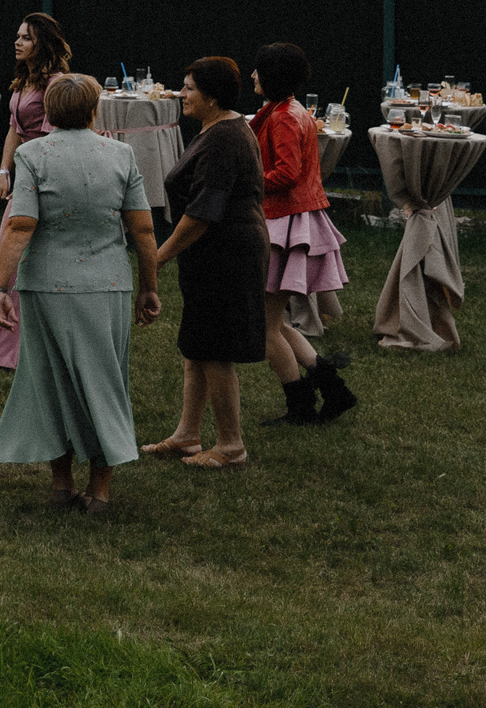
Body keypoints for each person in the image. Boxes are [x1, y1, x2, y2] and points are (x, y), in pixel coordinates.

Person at [0, 75, 160, 511]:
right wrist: (149, 287)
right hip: (109, 287)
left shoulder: (32, 153)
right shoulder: (121, 154)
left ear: (48, 114)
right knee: (105, 382)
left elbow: (21, 224)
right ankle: (99, 490)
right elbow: (142, 227)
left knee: (49, 382)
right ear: (94, 111)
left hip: (46, 285)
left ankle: (61, 485)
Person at [142, 56, 269, 471]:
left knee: (215, 348)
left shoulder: (225, 138)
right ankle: (187, 434)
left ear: (212, 97)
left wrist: (157, 259)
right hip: (213, 253)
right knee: (197, 344)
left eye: (189, 88)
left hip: (227, 254)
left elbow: (202, 213)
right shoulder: (220, 127)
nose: (181, 94)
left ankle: (231, 445)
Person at [251, 42, 359, 426]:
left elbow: (286, 173)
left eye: (258, 71)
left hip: (285, 221)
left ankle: (300, 407)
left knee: (265, 330)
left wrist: (247, 182)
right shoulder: (290, 109)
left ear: (272, 77)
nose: (252, 76)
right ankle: (333, 390)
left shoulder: (283, 116)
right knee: (275, 323)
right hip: (293, 218)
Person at [0, 12, 73, 371]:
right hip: (23, 176)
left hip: (44, 180)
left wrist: (26, 184)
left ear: (42, 43)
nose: (17, 42)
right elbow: (14, 131)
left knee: (25, 262)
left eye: (26, 38)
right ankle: (4, 343)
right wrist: (3, 174)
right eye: (17, 36)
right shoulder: (23, 80)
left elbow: (50, 140)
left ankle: (20, 351)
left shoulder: (56, 84)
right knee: (10, 260)